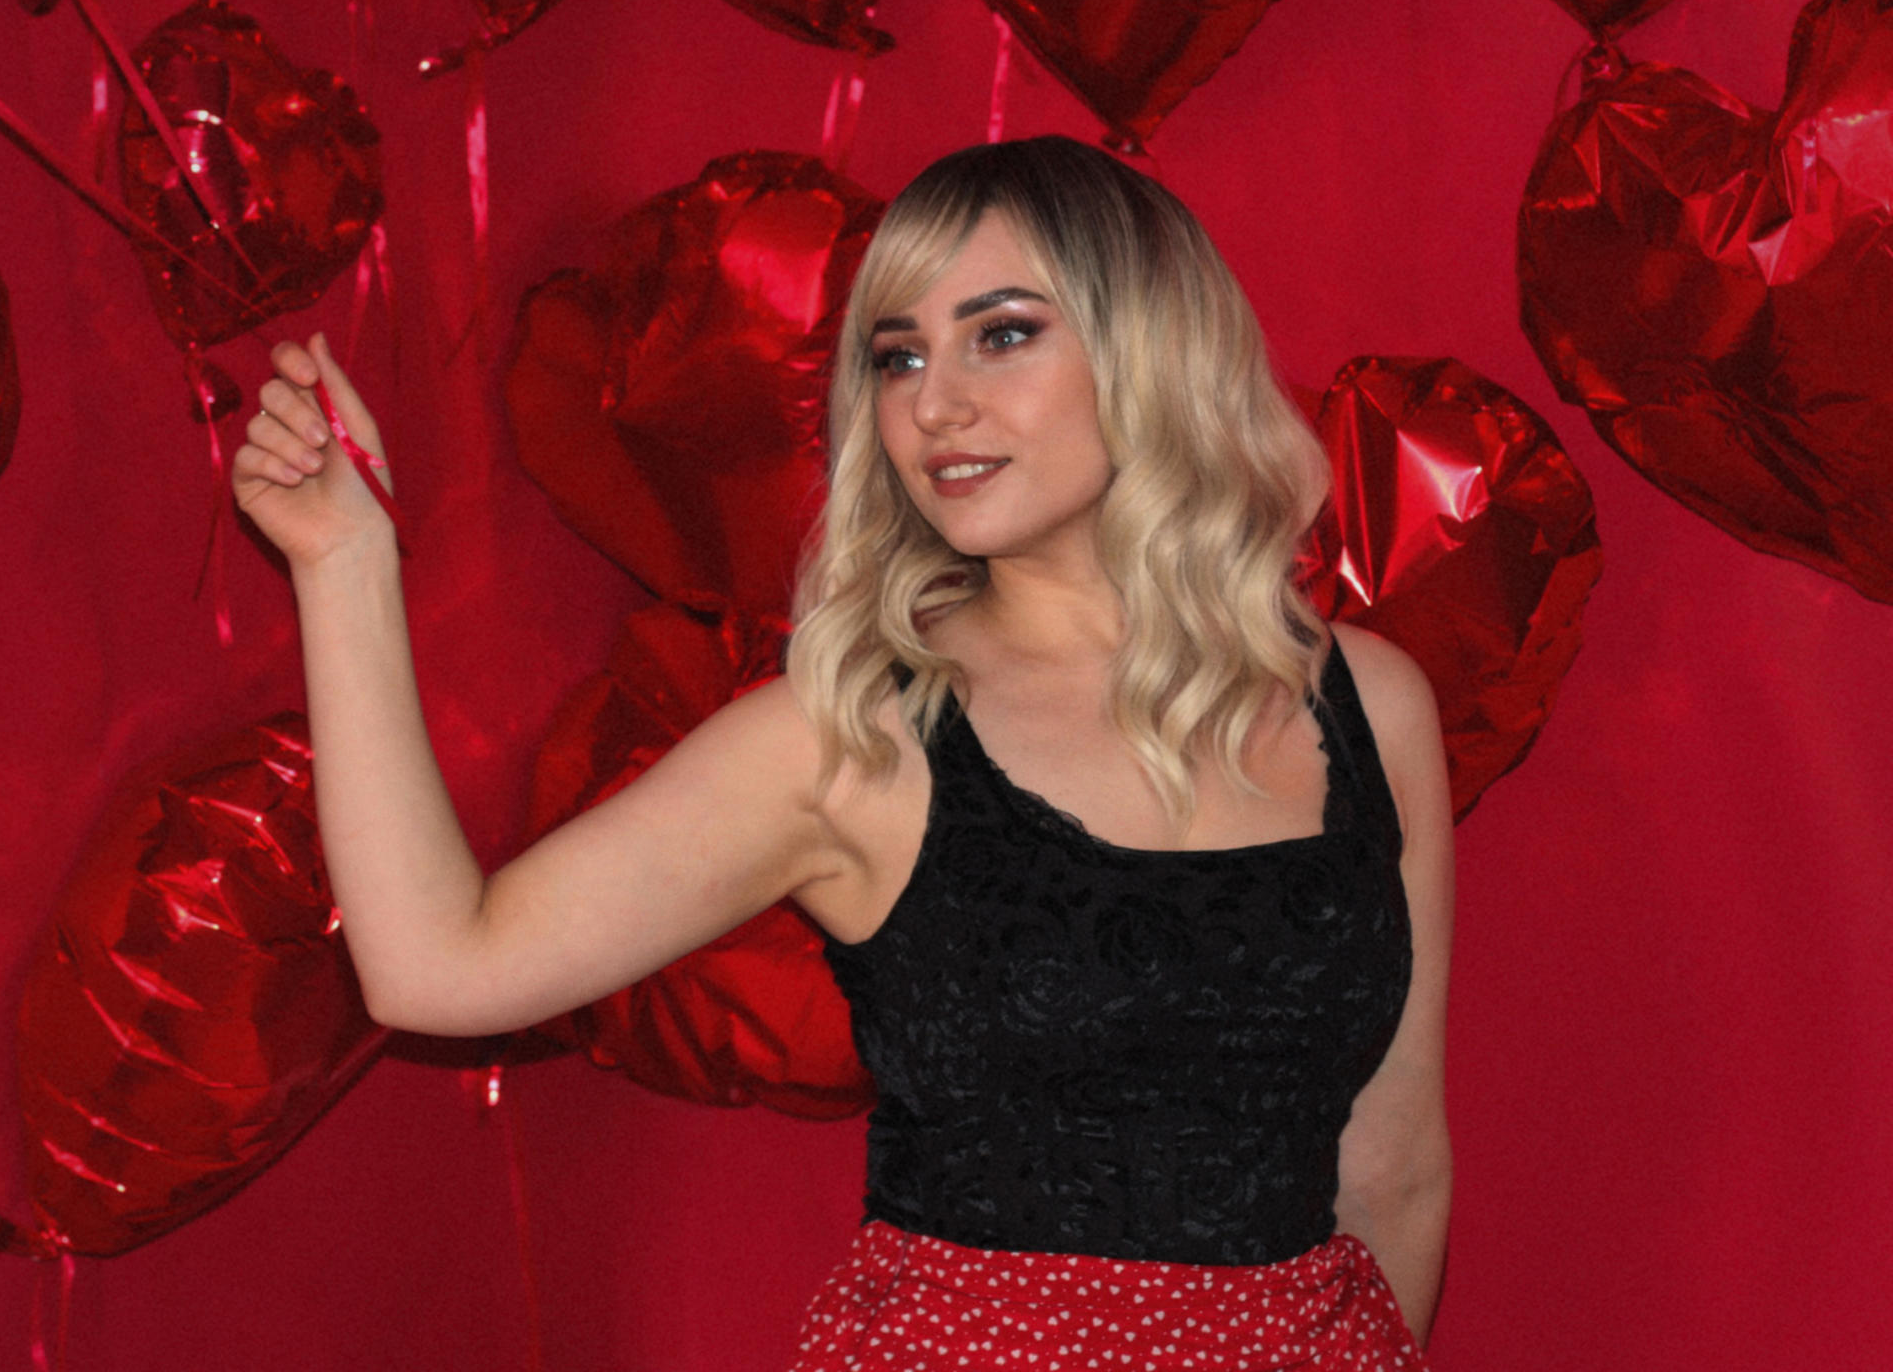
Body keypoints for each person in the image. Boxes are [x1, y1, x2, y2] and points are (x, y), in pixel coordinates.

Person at [234, 135, 1453, 1370]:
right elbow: (437, 967)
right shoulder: (854, 735)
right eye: (897, 356)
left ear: (1154, 347)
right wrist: (344, 565)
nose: (935, 404)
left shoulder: (1371, 708)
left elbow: (1395, 1167)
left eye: (1003, 334)